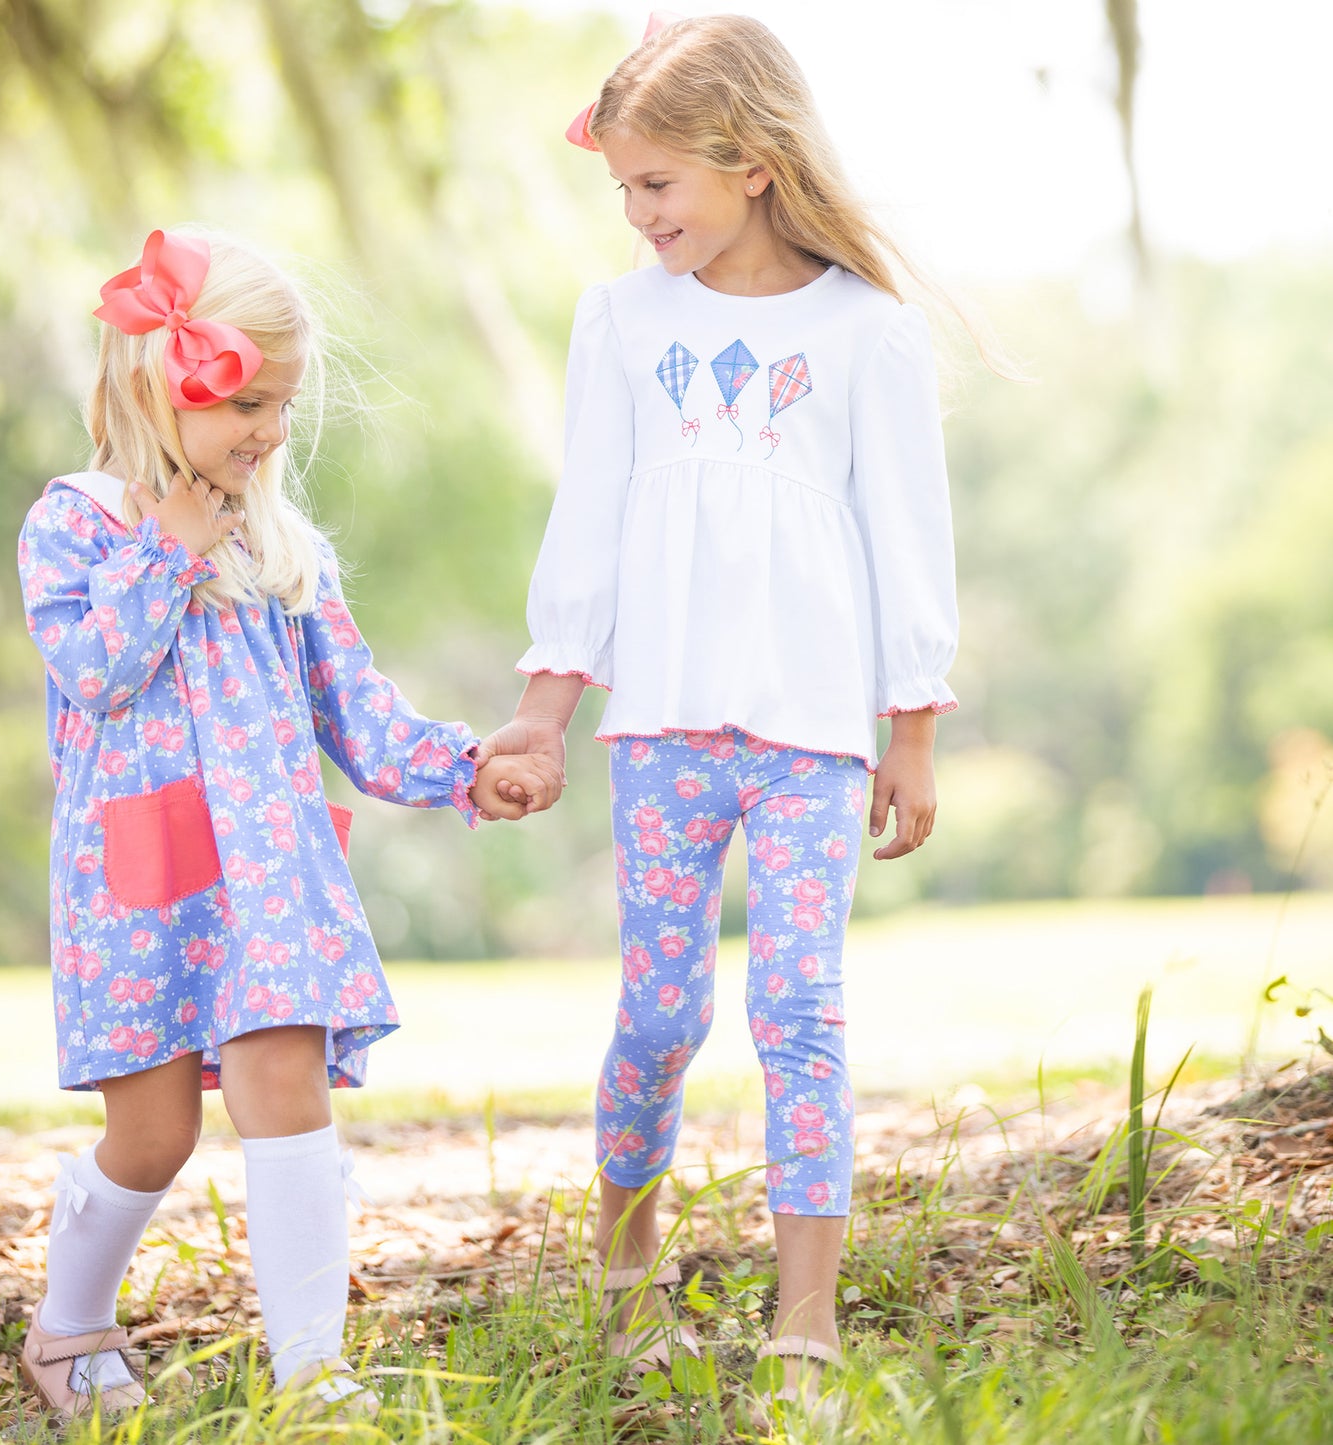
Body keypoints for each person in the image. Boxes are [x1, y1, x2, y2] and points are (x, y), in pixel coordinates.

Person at [486, 12, 960, 1418]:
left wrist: (913, 725)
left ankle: (803, 1322)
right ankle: (625, 1272)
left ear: (751, 164)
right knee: (658, 1011)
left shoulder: (868, 333)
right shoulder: (620, 321)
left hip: (815, 734)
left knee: (798, 1011)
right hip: (667, 728)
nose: (636, 217)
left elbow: (905, 534)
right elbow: (589, 524)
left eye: (656, 187)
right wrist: (538, 712)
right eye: (622, 190)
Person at [15, 228, 560, 1422]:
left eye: (281, 402)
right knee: (151, 1137)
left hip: (268, 875)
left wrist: (468, 768)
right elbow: (94, 670)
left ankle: (317, 1368)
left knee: (286, 1083)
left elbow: (355, 709)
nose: (268, 427)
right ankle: (66, 1322)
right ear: (158, 380)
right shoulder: (78, 525)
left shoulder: (278, 542)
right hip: (143, 884)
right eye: (245, 399)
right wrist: (167, 549)